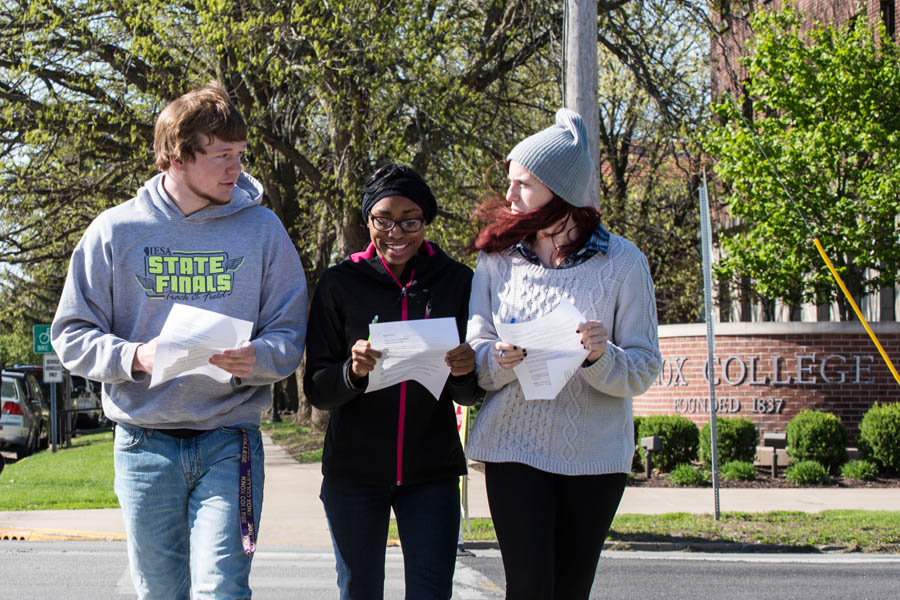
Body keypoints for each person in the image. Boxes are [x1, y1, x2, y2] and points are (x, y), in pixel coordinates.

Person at [51, 82, 308, 599]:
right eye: (222, 156)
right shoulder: (115, 231)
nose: (237, 168)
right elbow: (71, 334)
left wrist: (256, 358)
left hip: (230, 439)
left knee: (223, 589)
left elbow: (289, 331)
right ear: (176, 157)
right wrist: (134, 356)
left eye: (240, 154)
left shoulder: (263, 230)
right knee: (161, 593)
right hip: (144, 444)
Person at [465, 109, 662, 599]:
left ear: (559, 190)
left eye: (523, 184)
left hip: (595, 454)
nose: (510, 196)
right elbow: (476, 353)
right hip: (513, 444)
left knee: (571, 590)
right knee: (529, 587)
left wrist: (601, 356)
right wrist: (498, 359)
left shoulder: (624, 262)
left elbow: (644, 366)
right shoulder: (496, 261)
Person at [304, 163, 481, 600]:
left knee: (431, 591)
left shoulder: (457, 281)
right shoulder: (340, 282)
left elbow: (470, 392)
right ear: (368, 220)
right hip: (354, 473)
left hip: (432, 471)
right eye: (383, 219)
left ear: (426, 222)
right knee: (359, 590)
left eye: (410, 220)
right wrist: (353, 371)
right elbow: (318, 388)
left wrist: (464, 371)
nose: (396, 232)